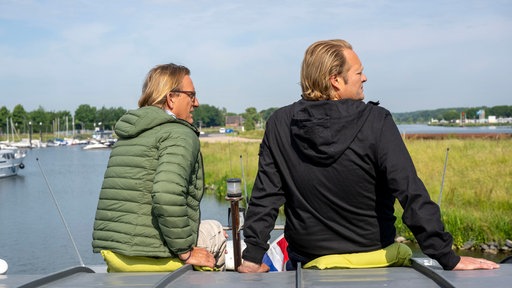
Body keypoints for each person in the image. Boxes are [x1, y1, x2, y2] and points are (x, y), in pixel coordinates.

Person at [238, 39, 499, 273]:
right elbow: (409, 189)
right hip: (376, 258)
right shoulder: (376, 121)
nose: (365, 78)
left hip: (308, 263)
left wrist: (252, 256)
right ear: (336, 80)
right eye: (359, 72)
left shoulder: (280, 123)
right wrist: (446, 257)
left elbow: (266, 195)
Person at [92, 63, 227, 271]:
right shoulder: (180, 134)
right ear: (171, 98)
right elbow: (166, 194)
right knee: (216, 231)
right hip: (153, 257)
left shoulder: (128, 134)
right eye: (191, 95)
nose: (197, 103)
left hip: (115, 256)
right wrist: (185, 251)